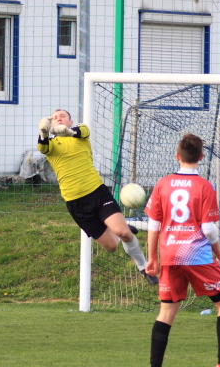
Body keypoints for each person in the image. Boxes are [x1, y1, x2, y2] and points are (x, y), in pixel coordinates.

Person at [144, 134, 220, 367]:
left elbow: (154, 223)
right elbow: (209, 228)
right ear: (201, 157)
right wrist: (219, 252)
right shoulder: (204, 186)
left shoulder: (162, 184)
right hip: (198, 256)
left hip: (169, 255)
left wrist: (152, 257)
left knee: (166, 312)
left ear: (177, 156)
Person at [37, 109, 157, 284]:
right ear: (51, 123)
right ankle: (121, 226)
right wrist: (44, 132)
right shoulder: (50, 144)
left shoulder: (80, 133)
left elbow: (81, 131)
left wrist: (67, 132)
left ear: (70, 121)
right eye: (54, 118)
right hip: (76, 203)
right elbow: (42, 146)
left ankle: (144, 267)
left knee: (123, 233)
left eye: (63, 116)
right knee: (111, 246)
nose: (58, 118)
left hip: (97, 193)